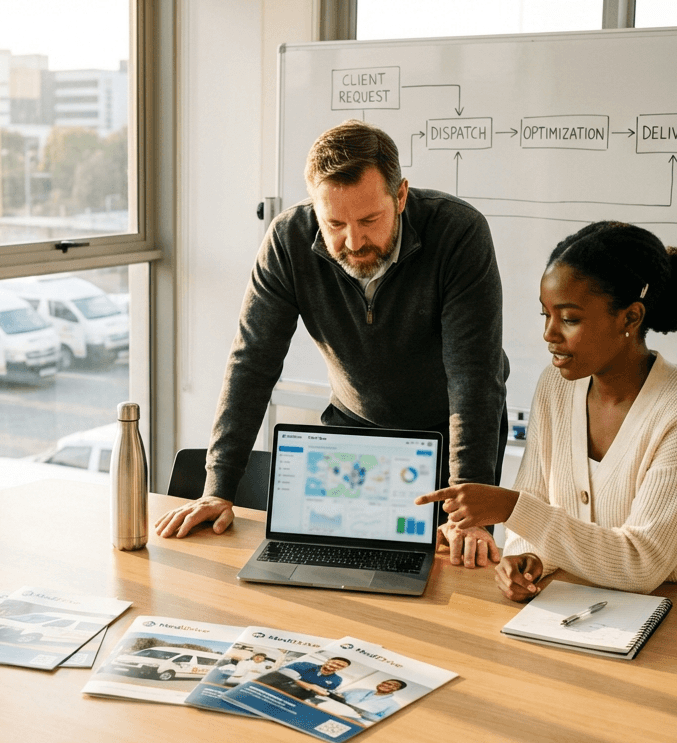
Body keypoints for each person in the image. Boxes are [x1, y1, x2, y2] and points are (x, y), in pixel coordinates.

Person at [155, 119, 510, 567]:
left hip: (450, 431)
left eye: (370, 220)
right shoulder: (288, 239)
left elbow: (472, 376)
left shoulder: (458, 232)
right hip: (353, 423)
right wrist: (218, 489)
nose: (354, 242)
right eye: (335, 224)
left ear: (400, 196)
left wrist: (468, 512)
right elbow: (252, 361)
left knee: (454, 565)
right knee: (341, 567)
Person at [415, 221, 677, 601]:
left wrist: (510, 507)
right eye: (545, 315)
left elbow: (641, 564)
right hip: (583, 606)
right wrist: (527, 558)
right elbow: (534, 505)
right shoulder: (556, 386)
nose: (549, 334)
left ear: (630, 317)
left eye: (569, 319)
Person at [259, 656, 352, 701]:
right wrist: (310, 686)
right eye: (334, 663)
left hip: (300, 699)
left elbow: (327, 692)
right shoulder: (303, 665)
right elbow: (281, 675)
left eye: (340, 666)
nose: (335, 666)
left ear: (342, 669)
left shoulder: (337, 680)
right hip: (276, 691)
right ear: (327, 661)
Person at [340, 679, 407, 721]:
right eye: (385, 683)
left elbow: (384, 721)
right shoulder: (357, 690)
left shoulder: (393, 705)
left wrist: (363, 713)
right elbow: (337, 695)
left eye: (391, 685)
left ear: (396, 689)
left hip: (354, 722)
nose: (385, 685)